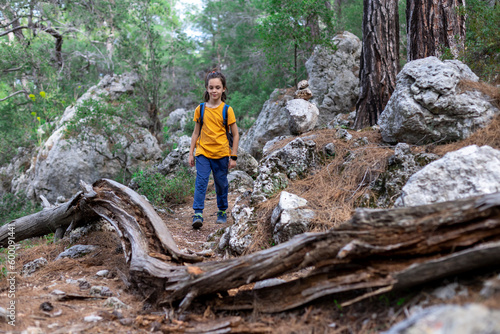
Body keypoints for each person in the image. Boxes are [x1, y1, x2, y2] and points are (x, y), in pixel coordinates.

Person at [188, 71, 239, 229]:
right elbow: (196, 132)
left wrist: (233, 156)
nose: (214, 90)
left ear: (224, 89)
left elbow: (236, 135)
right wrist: (191, 153)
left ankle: (222, 210)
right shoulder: (200, 109)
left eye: (218, 87)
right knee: (201, 182)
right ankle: (197, 213)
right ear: (207, 88)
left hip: (222, 153)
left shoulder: (227, 110)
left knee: (221, 184)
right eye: (211, 87)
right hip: (203, 152)